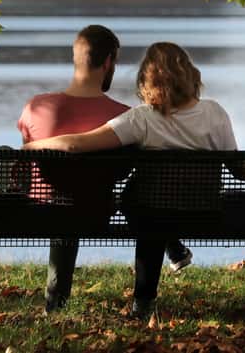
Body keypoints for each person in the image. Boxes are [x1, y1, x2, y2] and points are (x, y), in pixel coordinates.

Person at [23, 42, 245, 319]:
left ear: (147, 79)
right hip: (203, 213)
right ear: (191, 74)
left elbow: (77, 145)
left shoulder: (142, 118)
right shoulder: (215, 113)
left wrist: (33, 147)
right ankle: (173, 249)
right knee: (148, 208)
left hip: (152, 217)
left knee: (139, 206)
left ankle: (143, 304)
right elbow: (241, 169)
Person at [18, 27, 192, 315]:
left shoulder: (36, 107)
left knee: (59, 201)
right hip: (97, 209)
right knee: (145, 178)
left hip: (41, 209)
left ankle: (55, 302)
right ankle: (170, 252)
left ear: (75, 58)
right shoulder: (125, 117)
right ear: (109, 62)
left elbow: (28, 159)